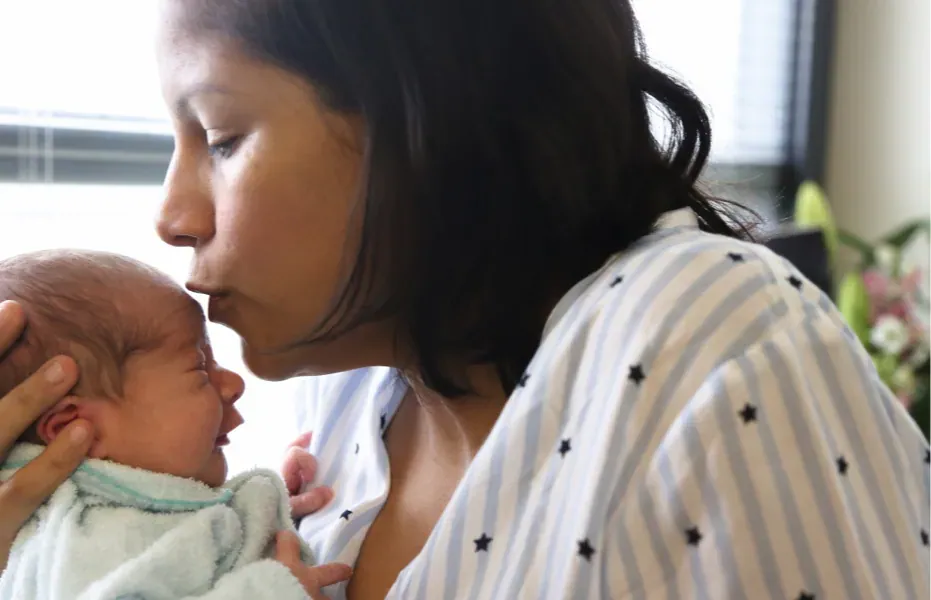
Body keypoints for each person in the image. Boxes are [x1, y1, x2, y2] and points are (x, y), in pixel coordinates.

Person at [1, 0, 928, 598]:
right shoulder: (349, 397)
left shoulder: (713, 337)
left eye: (221, 134)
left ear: (425, 121)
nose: (172, 213)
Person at [0, 250, 349, 599]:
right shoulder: (91, 537)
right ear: (70, 431)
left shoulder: (114, 514)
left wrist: (255, 513)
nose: (234, 384)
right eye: (199, 366)